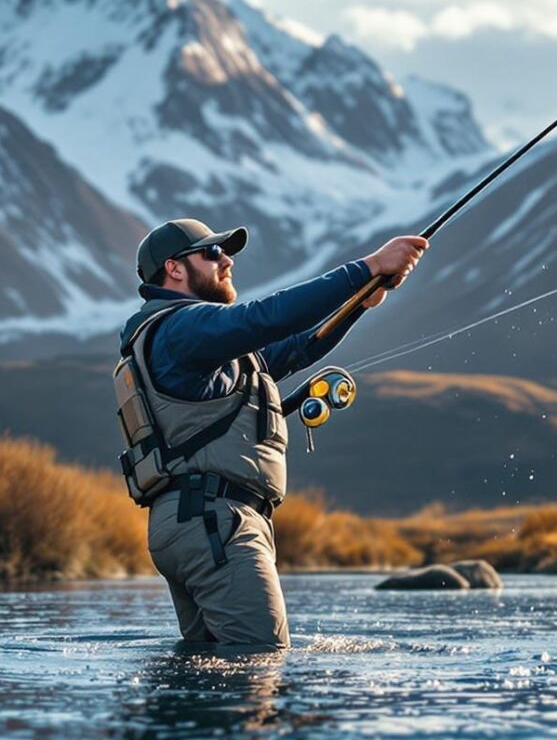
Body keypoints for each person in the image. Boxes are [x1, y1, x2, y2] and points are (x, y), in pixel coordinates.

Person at [114, 218, 426, 650]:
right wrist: (368, 265)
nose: (227, 261)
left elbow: (294, 347)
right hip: (215, 522)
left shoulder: (188, 342)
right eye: (213, 253)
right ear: (175, 269)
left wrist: (360, 301)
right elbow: (267, 320)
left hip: (191, 522)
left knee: (212, 673)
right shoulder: (182, 329)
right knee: (259, 661)